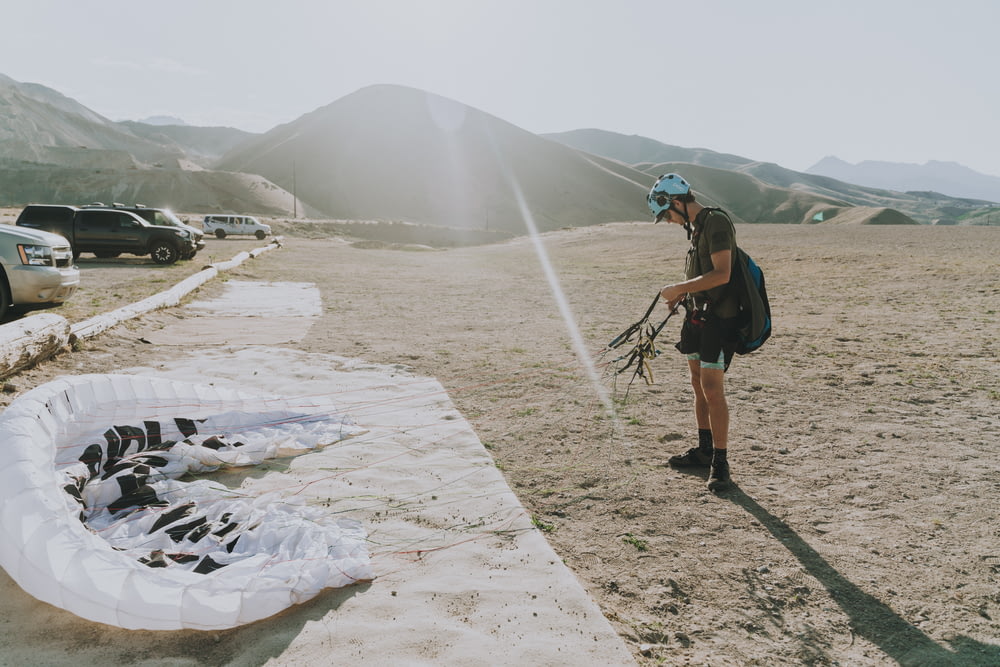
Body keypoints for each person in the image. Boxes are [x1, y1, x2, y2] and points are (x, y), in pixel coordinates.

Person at [647, 173, 738, 492]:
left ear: (676, 202)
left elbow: (723, 274)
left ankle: (721, 463)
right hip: (697, 317)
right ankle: (704, 450)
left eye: (667, 214)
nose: (669, 222)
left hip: (718, 321)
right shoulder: (698, 229)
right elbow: (702, 275)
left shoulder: (716, 223)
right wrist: (683, 296)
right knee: (698, 385)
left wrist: (677, 288)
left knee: (713, 390)